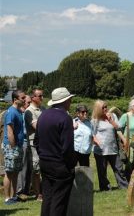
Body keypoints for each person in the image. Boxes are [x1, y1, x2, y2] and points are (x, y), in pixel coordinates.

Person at [34, 87, 76, 216]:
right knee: (59, 201)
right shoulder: (65, 118)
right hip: (60, 164)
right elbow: (67, 147)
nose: (70, 102)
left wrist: (44, 156)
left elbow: (36, 141)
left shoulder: (43, 115)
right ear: (65, 101)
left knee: (48, 198)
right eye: (70, 100)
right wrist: (70, 165)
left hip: (45, 162)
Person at [91, 100, 128, 191]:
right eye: (103, 107)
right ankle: (105, 188)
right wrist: (96, 141)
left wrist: (111, 121)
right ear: (98, 109)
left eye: (106, 106)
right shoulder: (95, 120)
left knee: (119, 168)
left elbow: (118, 127)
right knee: (102, 171)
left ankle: (124, 186)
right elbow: (92, 134)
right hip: (101, 150)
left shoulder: (112, 116)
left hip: (113, 148)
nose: (105, 109)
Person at [2, 90, 26, 205]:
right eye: (22, 98)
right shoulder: (11, 112)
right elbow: (10, 131)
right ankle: (7, 198)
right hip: (12, 147)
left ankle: (14, 196)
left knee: (16, 172)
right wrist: (13, 147)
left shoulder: (18, 111)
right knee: (9, 172)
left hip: (18, 146)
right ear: (15, 99)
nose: (24, 99)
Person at [24, 88, 45, 201]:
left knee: (44, 168)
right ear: (33, 98)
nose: (42, 98)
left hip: (44, 143)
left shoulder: (43, 109)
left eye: (42, 95)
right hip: (34, 143)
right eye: (40, 96)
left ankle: (44, 191)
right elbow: (38, 127)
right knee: (36, 169)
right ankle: (38, 194)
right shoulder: (29, 111)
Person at [16, 95, 32, 201]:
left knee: (30, 168)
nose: (29, 104)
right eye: (28, 102)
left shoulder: (28, 113)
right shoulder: (22, 114)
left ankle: (27, 190)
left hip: (31, 142)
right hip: (24, 143)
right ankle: (20, 191)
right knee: (23, 168)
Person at [119, 98, 134, 169]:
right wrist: (124, 140)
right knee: (128, 163)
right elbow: (118, 130)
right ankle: (127, 178)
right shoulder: (126, 116)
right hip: (128, 144)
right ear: (132, 106)